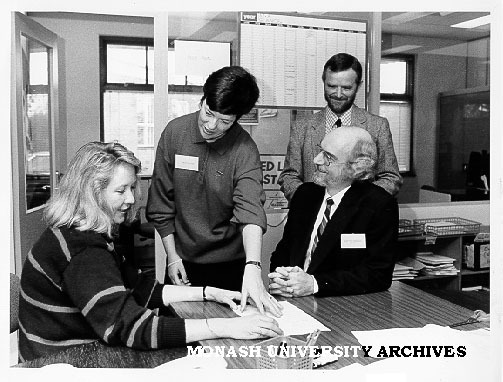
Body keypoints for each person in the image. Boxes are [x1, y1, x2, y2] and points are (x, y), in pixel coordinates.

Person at [18, 142, 282, 362]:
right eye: (121, 190)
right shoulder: (83, 251)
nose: (132, 199)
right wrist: (228, 327)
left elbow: (137, 289)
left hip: (72, 350)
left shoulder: (84, 232)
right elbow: (130, 327)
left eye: (132, 188)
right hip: (62, 362)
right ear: (91, 195)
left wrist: (207, 292)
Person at [146, 66, 281, 316]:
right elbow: (161, 203)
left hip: (229, 266)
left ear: (238, 119)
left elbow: (250, 211)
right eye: (208, 113)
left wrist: (252, 266)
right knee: (181, 336)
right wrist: (172, 256)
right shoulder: (175, 133)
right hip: (182, 260)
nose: (211, 125)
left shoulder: (244, 150)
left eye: (225, 121)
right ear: (203, 99)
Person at [269, 126, 398, 297]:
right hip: (292, 300)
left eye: (328, 157)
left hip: (342, 305)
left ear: (357, 167)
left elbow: (378, 275)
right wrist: (281, 278)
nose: (317, 159)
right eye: (320, 151)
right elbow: (284, 250)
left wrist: (314, 284)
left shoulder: (379, 205)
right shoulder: (305, 195)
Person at [278, 52, 402, 202]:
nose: (338, 94)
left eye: (346, 88)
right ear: (323, 82)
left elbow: (391, 178)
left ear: (359, 86)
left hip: (359, 219)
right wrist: (311, 203)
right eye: (331, 86)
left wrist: (357, 204)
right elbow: (289, 177)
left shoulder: (377, 126)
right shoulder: (302, 127)